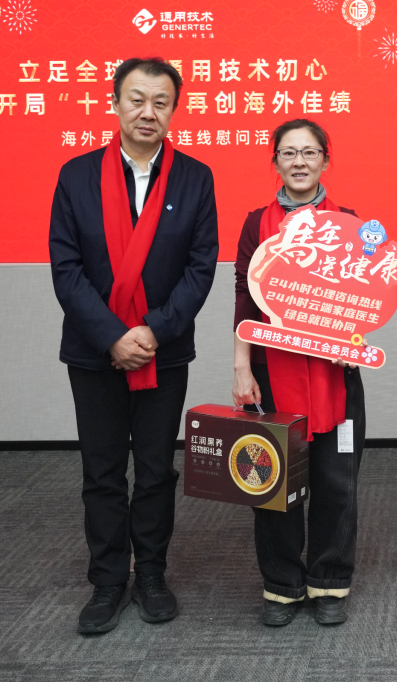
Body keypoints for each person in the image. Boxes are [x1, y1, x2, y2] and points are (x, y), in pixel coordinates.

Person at [49, 57, 219, 634]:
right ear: (115, 103)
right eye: (137, 99)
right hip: (93, 352)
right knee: (101, 471)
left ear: (174, 109)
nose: (149, 112)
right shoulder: (76, 175)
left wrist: (153, 331)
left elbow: (200, 268)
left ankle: (150, 574)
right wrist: (112, 337)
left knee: (154, 470)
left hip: (161, 352)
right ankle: (106, 581)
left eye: (161, 102)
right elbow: (66, 268)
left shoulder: (195, 177)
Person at [232, 119, 366, 628]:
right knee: (273, 481)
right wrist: (241, 366)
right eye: (288, 153)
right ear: (275, 162)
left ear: (326, 161)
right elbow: (245, 297)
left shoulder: (348, 222)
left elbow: (364, 295)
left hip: (335, 374)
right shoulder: (256, 224)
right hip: (273, 370)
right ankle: (282, 584)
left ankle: (329, 581)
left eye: (309, 152)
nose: (299, 162)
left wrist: (354, 337)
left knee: (337, 482)